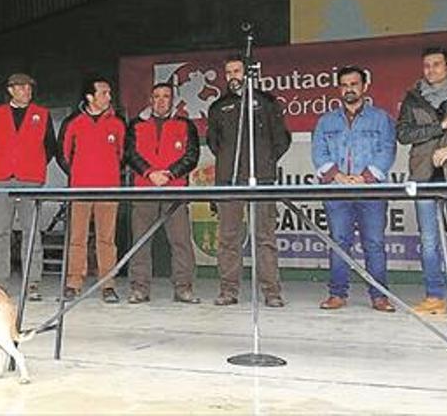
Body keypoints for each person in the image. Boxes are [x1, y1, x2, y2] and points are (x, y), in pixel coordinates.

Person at [207, 54, 291, 307]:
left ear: (248, 73)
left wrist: (264, 162)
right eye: (229, 72)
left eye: (237, 71)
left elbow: (281, 140)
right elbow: (214, 143)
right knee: (228, 238)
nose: (233, 76)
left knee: (265, 237)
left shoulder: (266, 102)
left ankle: (272, 292)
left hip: (261, 179)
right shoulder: (219, 106)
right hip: (229, 180)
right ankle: (228, 291)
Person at [313, 66, 396, 312]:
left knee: (374, 243)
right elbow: (319, 153)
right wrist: (337, 175)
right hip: (337, 191)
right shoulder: (326, 121)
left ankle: (379, 296)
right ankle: (338, 294)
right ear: (340, 89)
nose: (349, 89)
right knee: (339, 242)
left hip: (371, 191)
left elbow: (387, 150)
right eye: (345, 85)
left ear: (364, 87)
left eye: (354, 84)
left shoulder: (380, 118)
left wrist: (365, 177)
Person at [397, 46, 447, 315]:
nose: (430, 70)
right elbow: (404, 134)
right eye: (426, 65)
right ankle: (434, 297)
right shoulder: (413, 98)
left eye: (436, 65)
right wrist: (439, 127)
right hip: (425, 178)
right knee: (429, 241)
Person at [0, 72, 56, 300]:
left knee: (31, 232)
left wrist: (32, 165)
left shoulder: (42, 115)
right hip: (4, 179)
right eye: (22, 87)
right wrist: (5, 163)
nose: (27, 91)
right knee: (0, 232)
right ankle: (0, 283)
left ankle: (32, 282)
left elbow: (50, 146)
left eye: (29, 88)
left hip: (31, 179)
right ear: (11, 90)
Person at [125, 82, 200, 304]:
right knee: (140, 241)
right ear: (150, 100)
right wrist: (149, 173)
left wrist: (169, 174)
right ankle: (140, 288)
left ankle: (183, 288)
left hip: (174, 190)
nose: (160, 100)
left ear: (172, 100)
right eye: (156, 96)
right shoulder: (136, 124)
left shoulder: (186, 125)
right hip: (144, 189)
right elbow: (130, 153)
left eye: (165, 96)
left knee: (181, 241)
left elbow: (191, 156)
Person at [57, 76, 126, 303]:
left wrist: (110, 174)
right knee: (77, 237)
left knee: (106, 239)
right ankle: (73, 282)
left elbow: (122, 154)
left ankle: (108, 284)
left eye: (109, 93)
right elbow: (64, 155)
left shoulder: (117, 123)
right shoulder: (74, 123)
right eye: (104, 93)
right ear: (90, 97)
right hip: (79, 190)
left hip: (109, 189)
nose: (109, 97)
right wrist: (79, 174)